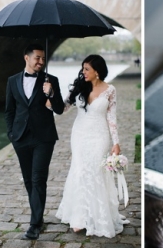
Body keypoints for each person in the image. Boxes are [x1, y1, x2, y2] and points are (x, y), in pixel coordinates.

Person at [55, 54, 128, 237]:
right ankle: (79, 217)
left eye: (87, 68)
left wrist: (116, 143)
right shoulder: (80, 87)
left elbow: (112, 119)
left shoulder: (110, 90)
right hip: (79, 135)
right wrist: (49, 95)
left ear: (97, 71)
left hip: (99, 136)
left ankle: (98, 217)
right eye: (82, 68)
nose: (83, 72)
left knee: (95, 172)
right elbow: (62, 109)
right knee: (79, 170)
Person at [4, 44, 65, 240]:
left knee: (38, 178)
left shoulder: (51, 80)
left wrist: (51, 93)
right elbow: (9, 111)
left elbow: (59, 109)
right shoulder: (12, 81)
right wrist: (11, 134)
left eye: (43, 59)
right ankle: (38, 215)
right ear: (26, 58)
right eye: (37, 58)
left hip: (44, 138)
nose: (41, 62)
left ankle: (34, 224)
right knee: (29, 180)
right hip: (20, 138)